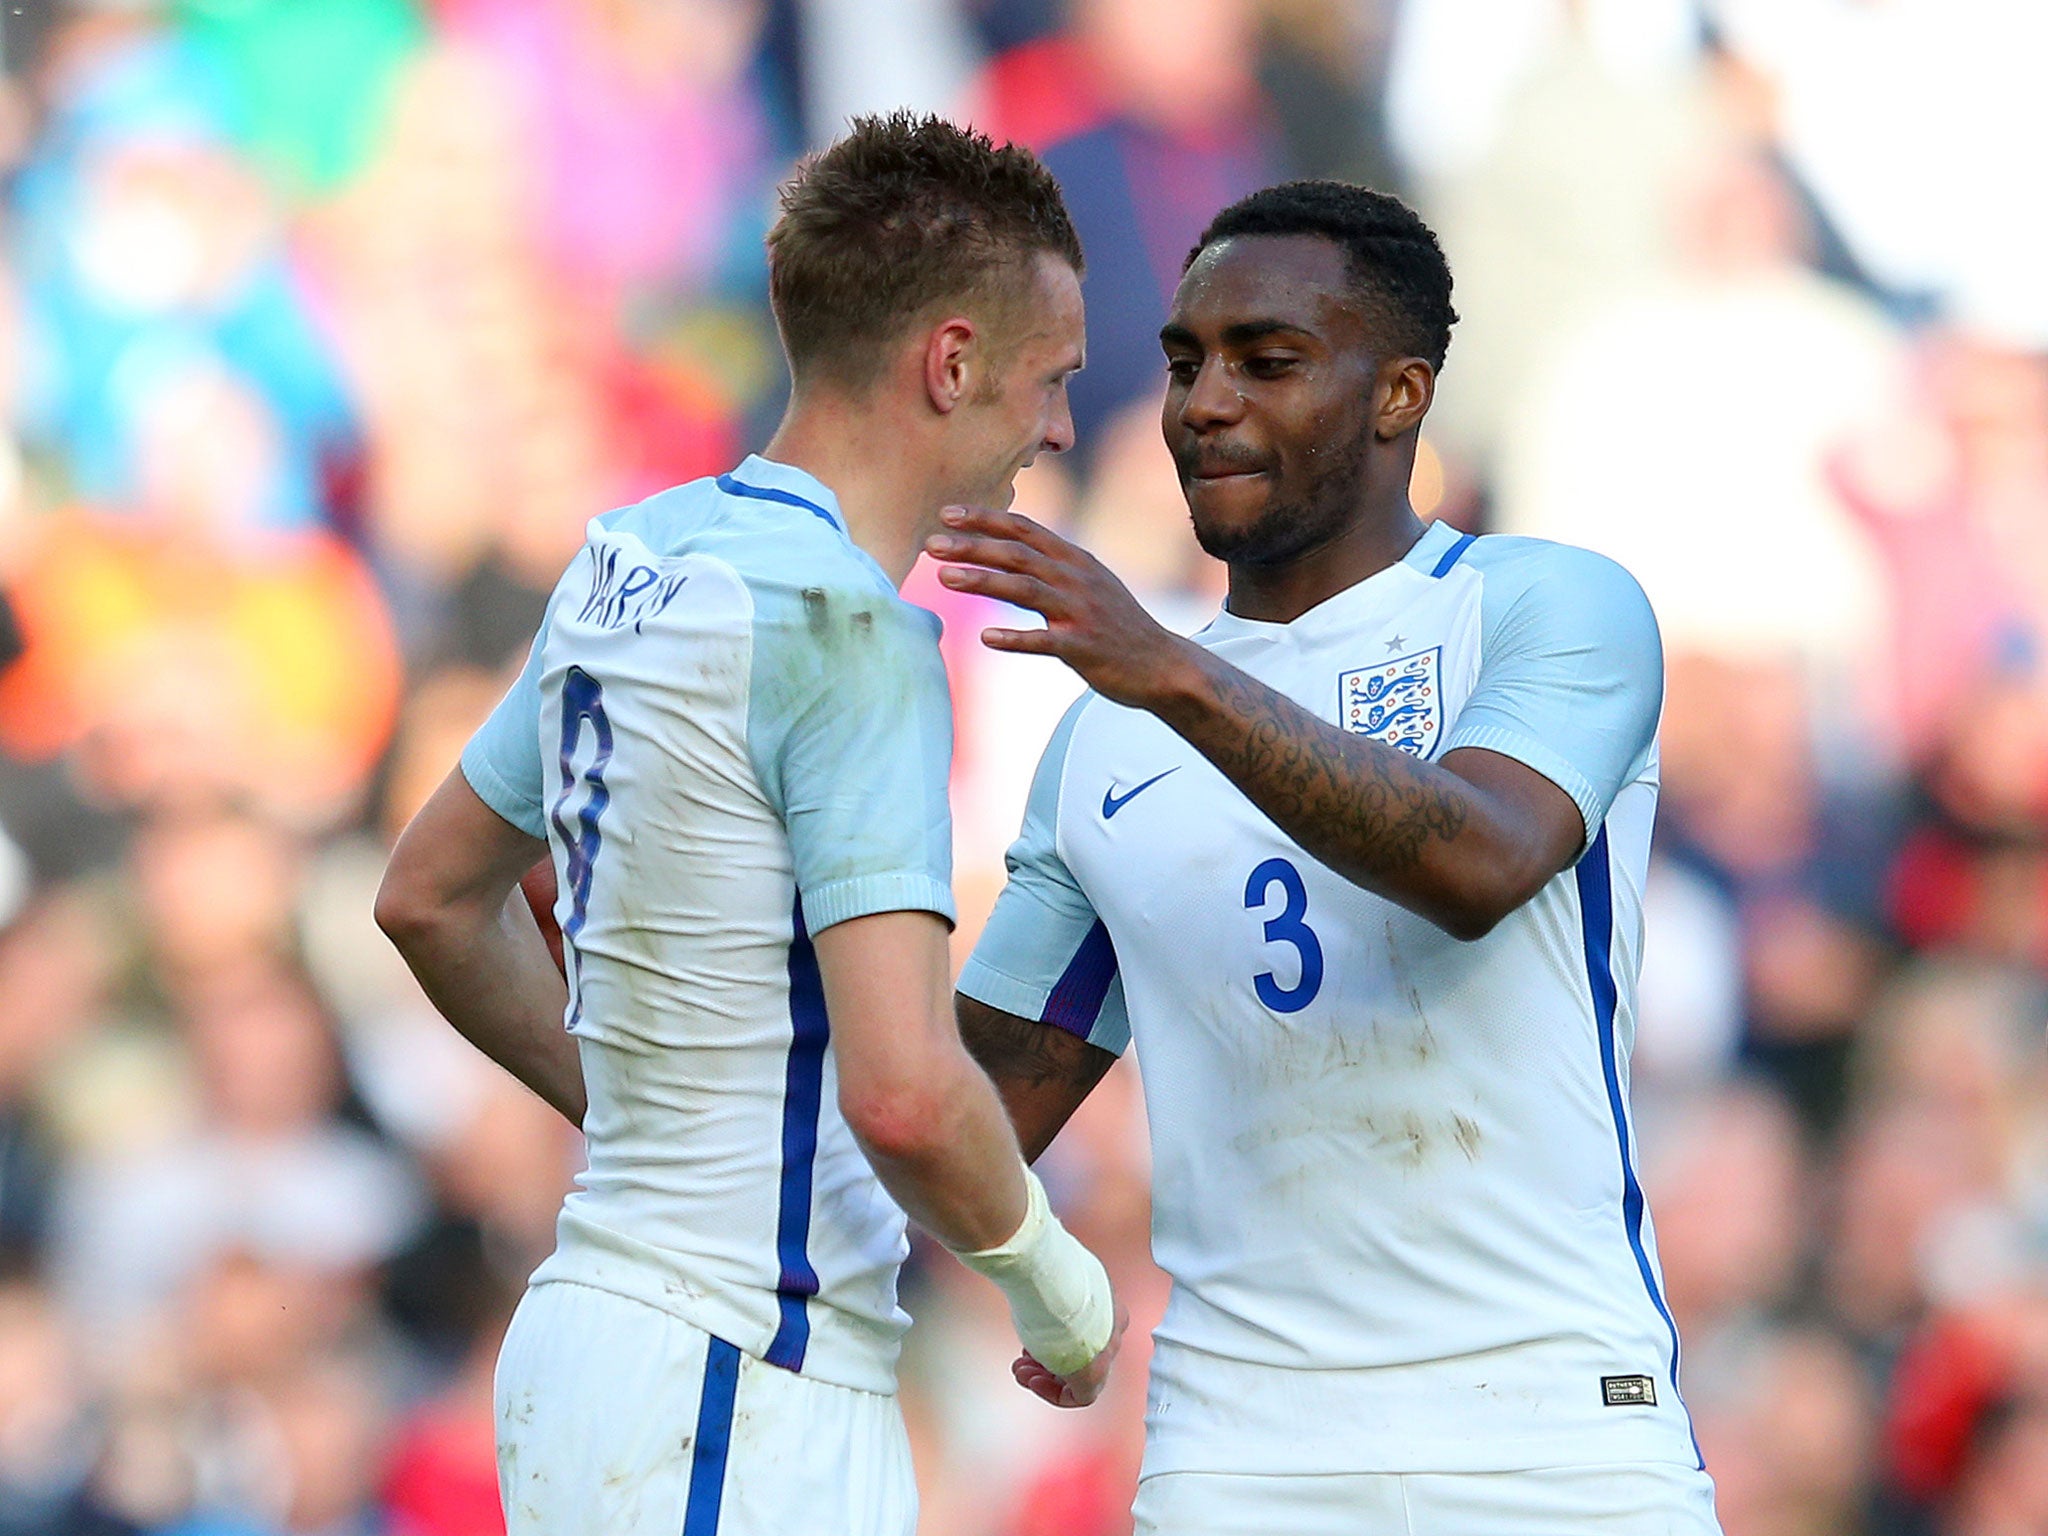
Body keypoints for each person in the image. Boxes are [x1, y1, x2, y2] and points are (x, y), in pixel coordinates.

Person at [929, 180, 1724, 1534]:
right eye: (1185, 364)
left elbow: (1475, 862)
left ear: (1399, 394)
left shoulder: (1547, 607)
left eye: (1267, 361)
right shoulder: (1104, 736)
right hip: (1241, 1462)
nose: (1204, 403)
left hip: (1556, 1441)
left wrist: (1172, 673)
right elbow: (973, 1115)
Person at [373, 113, 1123, 1536]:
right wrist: (1065, 1298)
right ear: (952, 362)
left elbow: (431, 896)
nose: (1061, 427)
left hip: (606, 1342)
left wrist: (650, 1121)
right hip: (736, 1373)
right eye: (1052, 378)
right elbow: (903, 1092)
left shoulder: (625, 556)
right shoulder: (851, 629)